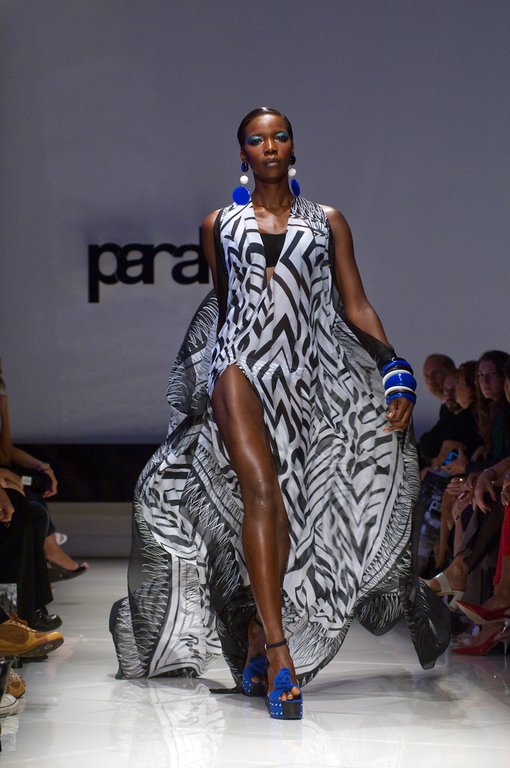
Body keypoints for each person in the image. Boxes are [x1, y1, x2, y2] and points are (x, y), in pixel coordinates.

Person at [110, 107, 450, 719]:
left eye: (279, 136)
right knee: (263, 494)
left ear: (293, 147)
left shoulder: (328, 222)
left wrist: (393, 366)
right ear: (242, 152)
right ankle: (279, 652)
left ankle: (250, 632)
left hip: (303, 378)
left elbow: (354, 303)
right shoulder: (218, 224)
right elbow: (226, 306)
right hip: (237, 368)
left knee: (291, 515)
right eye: (256, 139)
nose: (269, 146)